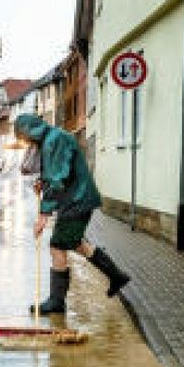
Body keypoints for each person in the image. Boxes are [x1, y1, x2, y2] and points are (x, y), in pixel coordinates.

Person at [14, 113, 130, 315]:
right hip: (77, 199)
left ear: (30, 130)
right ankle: (117, 276)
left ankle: (56, 302)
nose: (26, 142)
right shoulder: (51, 139)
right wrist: (43, 182)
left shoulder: (54, 140)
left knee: (57, 245)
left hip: (77, 200)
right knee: (75, 243)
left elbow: (58, 180)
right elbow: (56, 174)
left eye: (24, 136)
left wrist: (43, 215)